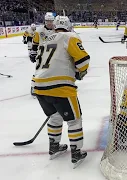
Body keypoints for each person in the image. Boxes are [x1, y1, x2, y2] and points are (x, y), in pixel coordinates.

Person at [32, 15, 90, 168]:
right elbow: (83, 61)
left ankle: (54, 147)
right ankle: (76, 153)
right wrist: (80, 72)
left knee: (54, 116)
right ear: (69, 26)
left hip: (39, 86)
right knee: (74, 120)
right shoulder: (70, 36)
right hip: (60, 87)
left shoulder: (45, 39)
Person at [30, 12, 55, 96]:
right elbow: (35, 43)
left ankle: (52, 86)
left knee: (54, 70)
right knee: (38, 70)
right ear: (45, 21)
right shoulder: (39, 31)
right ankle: (34, 87)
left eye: (51, 21)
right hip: (41, 54)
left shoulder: (57, 30)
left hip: (54, 54)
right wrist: (33, 53)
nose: (49, 23)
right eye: (48, 21)